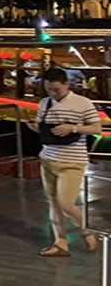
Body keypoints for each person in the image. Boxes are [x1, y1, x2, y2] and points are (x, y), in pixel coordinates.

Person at [26, 66, 102, 256]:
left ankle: (87, 230)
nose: (52, 93)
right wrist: (35, 127)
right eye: (48, 89)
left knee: (66, 203)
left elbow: (96, 128)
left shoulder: (82, 103)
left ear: (67, 85)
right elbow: (45, 130)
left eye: (56, 89)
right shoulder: (44, 102)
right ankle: (60, 243)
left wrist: (73, 128)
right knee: (53, 203)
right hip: (48, 158)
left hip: (72, 161)